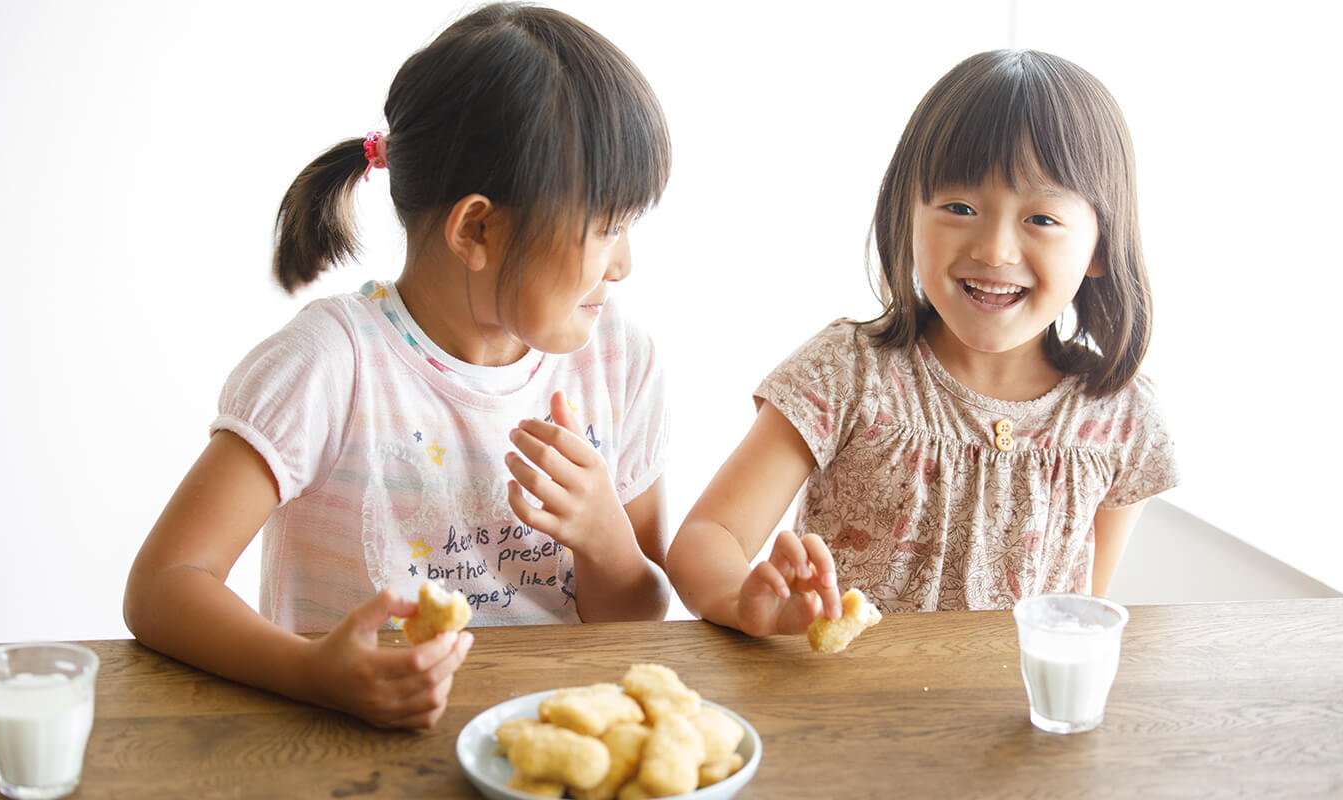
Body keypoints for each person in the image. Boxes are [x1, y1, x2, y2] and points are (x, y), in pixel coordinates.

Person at [124, 2, 672, 728]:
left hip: (545, 749)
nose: (626, 263)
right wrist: (312, 673)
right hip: (346, 747)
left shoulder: (619, 364)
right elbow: (164, 584)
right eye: (607, 227)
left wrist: (607, 541)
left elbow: (637, 624)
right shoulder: (331, 365)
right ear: (476, 228)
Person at [667, 49, 1179, 638]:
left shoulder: (1122, 418)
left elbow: (1083, 614)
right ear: (905, 216)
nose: (993, 250)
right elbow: (709, 538)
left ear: (1099, 248)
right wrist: (745, 602)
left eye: (1041, 219)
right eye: (960, 207)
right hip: (851, 718)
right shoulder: (845, 373)